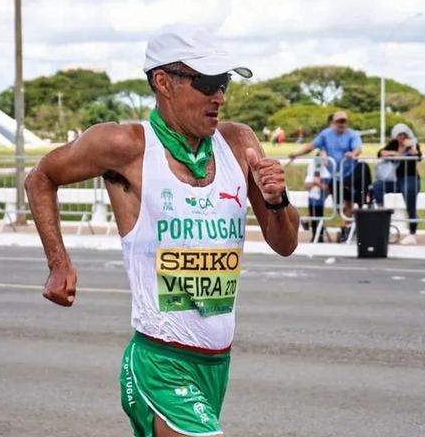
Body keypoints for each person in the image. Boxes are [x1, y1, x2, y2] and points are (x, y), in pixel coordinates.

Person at [24, 26, 299, 437]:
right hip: (159, 362)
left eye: (223, 83)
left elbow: (285, 243)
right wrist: (58, 263)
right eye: (207, 83)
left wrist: (277, 199)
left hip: (215, 364)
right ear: (163, 82)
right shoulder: (126, 145)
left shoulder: (238, 142)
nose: (219, 96)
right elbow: (40, 178)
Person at [287, 110, 362, 242]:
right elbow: (311, 146)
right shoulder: (326, 134)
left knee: (346, 203)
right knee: (316, 197)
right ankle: (317, 230)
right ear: (334, 122)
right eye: (339, 121)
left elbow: (358, 148)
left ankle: (346, 230)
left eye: (344, 121)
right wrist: (296, 153)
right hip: (331, 176)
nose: (341, 124)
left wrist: (353, 153)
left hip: (348, 175)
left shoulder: (352, 134)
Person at [372, 123, 422, 245]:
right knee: (377, 186)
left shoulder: (413, 143)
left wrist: (411, 149)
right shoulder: (393, 144)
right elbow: (380, 153)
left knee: (410, 199)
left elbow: (419, 156)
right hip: (394, 179)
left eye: (404, 134)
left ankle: (412, 233)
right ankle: (382, 212)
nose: (402, 137)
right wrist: (393, 153)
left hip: (409, 177)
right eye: (399, 135)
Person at [303, 151, 332, 242]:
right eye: (322, 157)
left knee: (318, 215)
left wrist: (318, 184)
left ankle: (319, 236)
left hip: (320, 198)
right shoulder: (314, 167)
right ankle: (315, 235)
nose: (324, 158)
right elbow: (308, 184)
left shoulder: (327, 170)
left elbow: (326, 187)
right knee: (314, 216)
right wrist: (315, 183)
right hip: (313, 197)